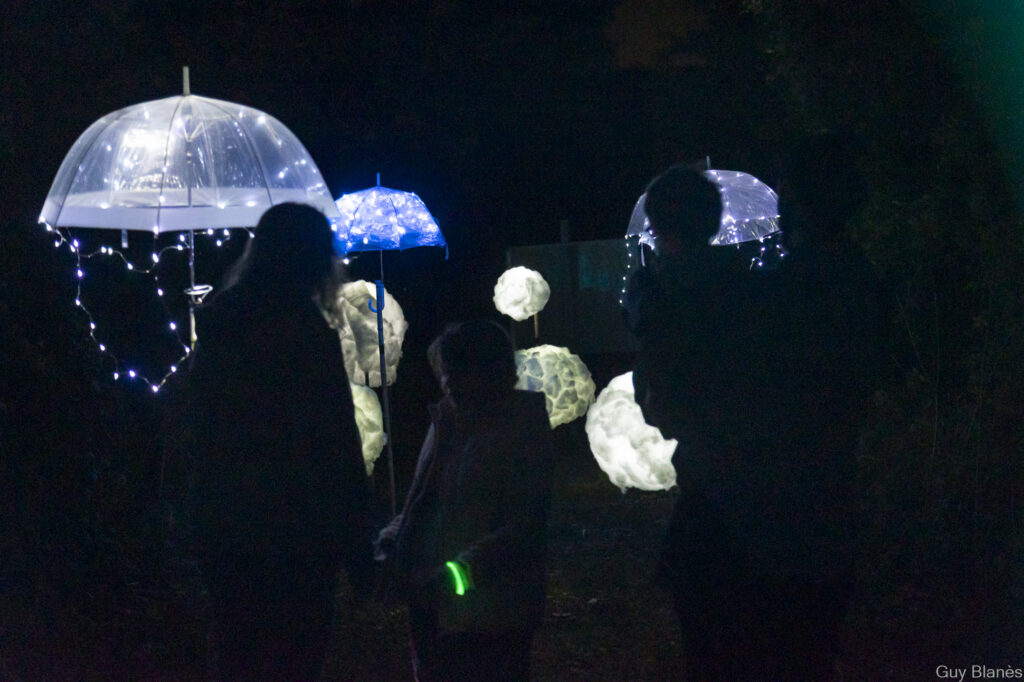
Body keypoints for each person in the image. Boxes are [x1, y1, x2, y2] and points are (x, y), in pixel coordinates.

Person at [630, 151, 885, 681]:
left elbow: (669, 407)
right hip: (820, 526)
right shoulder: (849, 288)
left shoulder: (762, 299)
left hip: (733, 533)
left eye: (787, 197)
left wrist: (665, 302)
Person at [179, 203, 374, 681]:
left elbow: (192, 428)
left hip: (227, 526)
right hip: (299, 533)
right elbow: (334, 445)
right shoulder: (306, 335)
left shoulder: (220, 328)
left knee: (237, 654)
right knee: (294, 658)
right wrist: (358, 547)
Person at [375, 319, 555, 682]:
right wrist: (393, 539)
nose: (448, 382)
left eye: (458, 371)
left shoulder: (520, 433)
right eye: (445, 372)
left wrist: (455, 576)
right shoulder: (448, 421)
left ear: (491, 372)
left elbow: (522, 529)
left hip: (493, 618)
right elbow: (425, 499)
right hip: (434, 610)